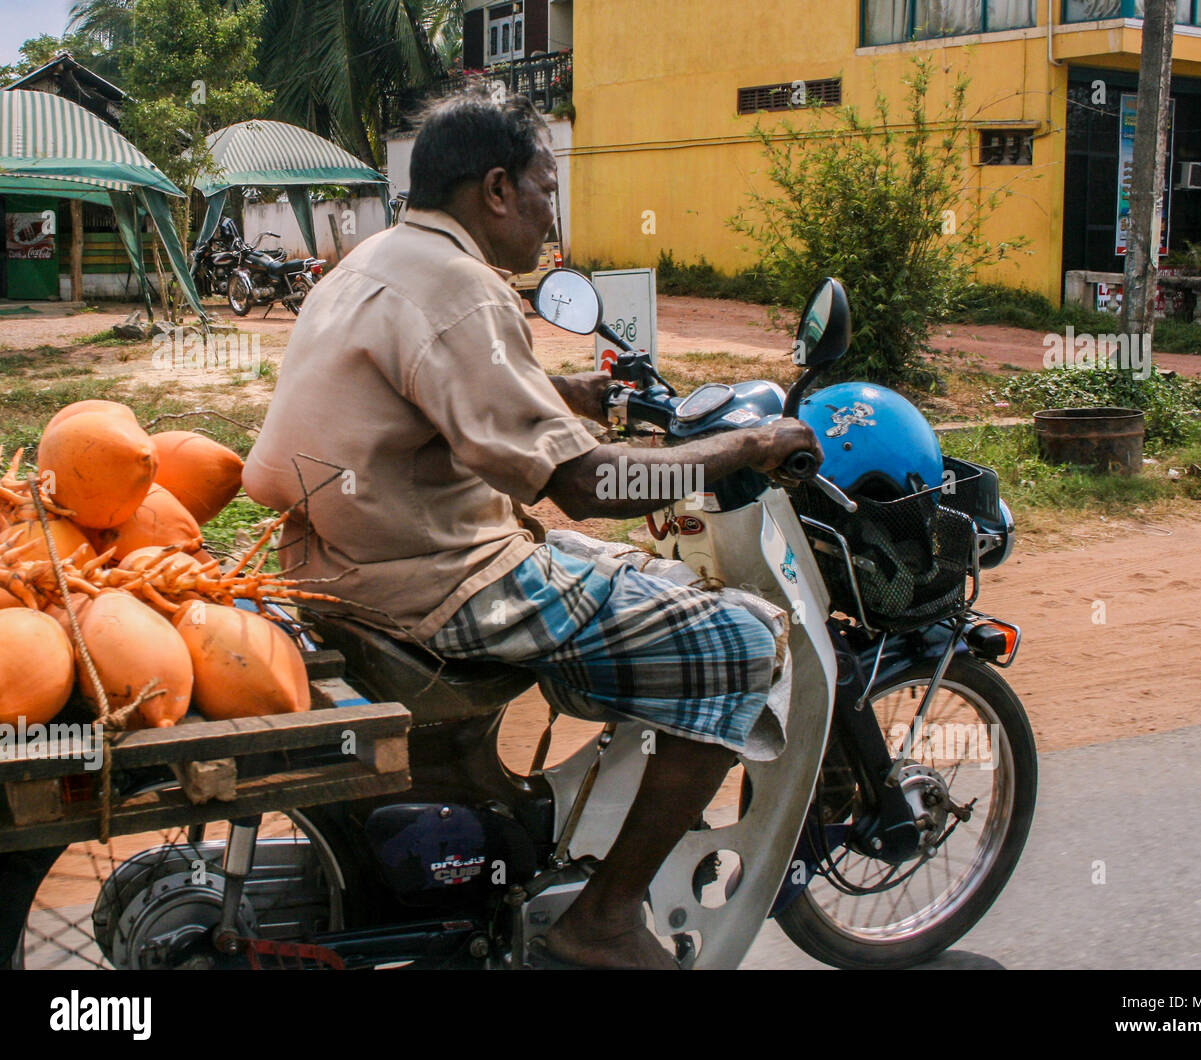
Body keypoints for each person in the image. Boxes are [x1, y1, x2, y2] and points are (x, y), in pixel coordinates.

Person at [242, 88, 822, 969]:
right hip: (439, 583)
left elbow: (426, 392)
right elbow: (588, 486)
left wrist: (562, 395)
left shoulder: (374, 261)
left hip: (339, 560)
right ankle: (603, 918)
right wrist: (747, 444)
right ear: (499, 190)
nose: (553, 216)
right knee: (742, 642)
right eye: (548, 191)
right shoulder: (468, 290)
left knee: (636, 578)